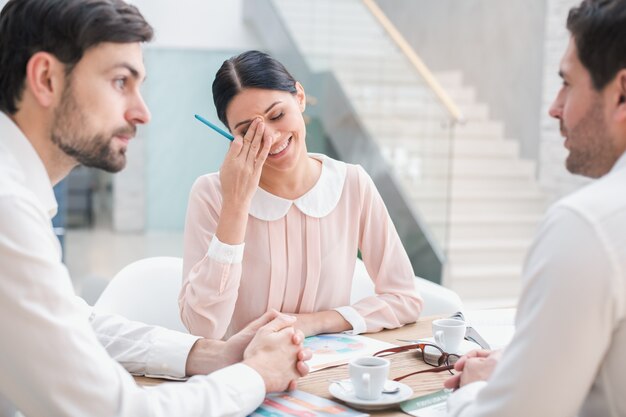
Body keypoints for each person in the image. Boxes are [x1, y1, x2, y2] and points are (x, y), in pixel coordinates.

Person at [0, 1, 311, 416]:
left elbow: (70, 324)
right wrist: (256, 374)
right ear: (46, 78)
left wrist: (210, 355)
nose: (142, 112)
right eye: (119, 82)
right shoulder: (8, 210)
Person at [443, 0, 626, 415]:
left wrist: (473, 389)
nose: (555, 107)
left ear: (621, 93)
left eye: (567, 83)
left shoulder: (586, 226)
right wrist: (527, 367)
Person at [179, 51, 423, 340]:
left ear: (300, 97)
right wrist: (235, 204)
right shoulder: (211, 195)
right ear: (231, 136)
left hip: (328, 374)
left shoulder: (352, 184)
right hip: (244, 373)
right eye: (248, 131)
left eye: (277, 115)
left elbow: (405, 299)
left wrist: (316, 322)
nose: (270, 138)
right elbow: (203, 329)